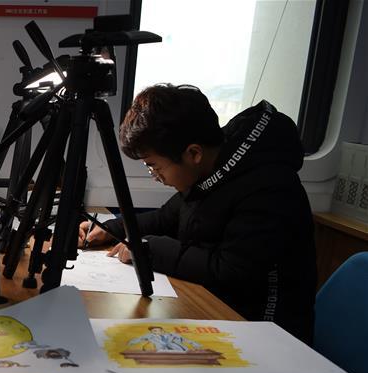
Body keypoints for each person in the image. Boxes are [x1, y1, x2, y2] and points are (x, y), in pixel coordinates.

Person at [78, 84, 316, 343]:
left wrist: (146, 249)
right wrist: (113, 229)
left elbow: (231, 271)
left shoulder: (269, 187)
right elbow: (165, 218)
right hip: (223, 306)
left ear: (193, 153)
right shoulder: (210, 172)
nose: (155, 176)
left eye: (154, 166)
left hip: (267, 328)